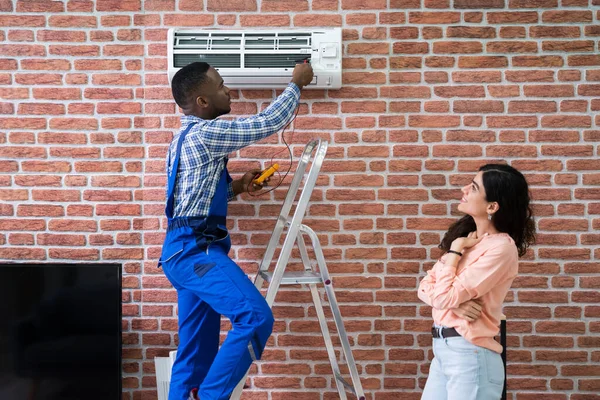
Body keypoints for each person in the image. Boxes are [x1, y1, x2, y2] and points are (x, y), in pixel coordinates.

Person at [159, 61, 314, 400]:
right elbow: (267, 122)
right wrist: (297, 84)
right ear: (202, 101)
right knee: (255, 318)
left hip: (180, 251)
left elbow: (192, 197)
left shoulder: (181, 139)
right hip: (194, 251)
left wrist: (239, 187)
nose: (228, 90)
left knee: (196, 351)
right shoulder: (206, 132)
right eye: (220, 85)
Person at [418, 164, 536, 400]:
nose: (464, 189)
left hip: (469, 354)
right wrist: (455, 303)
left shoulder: (501, 248)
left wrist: (454, 252)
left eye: (473, 187)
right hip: (443, 351)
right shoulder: (468, 240)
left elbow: (441, 296)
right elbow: (423, 287)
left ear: (492, 206)